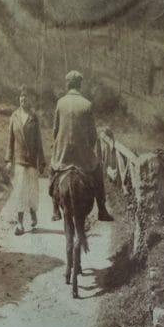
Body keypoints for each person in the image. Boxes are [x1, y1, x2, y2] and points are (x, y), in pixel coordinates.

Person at [48, 70, 111, 222]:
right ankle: (102, 209)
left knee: (53, 170)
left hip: (62, 154)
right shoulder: (87, 104)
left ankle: (56, 209)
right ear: (79, 85)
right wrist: (87, 146)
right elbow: (92, 135)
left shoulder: (60, 103)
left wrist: (58, 144)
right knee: (97, 171)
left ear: (68, 84)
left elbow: (55, 131)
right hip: (82, 156)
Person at [6, 89, 45, 235]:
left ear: (30, 100)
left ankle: (33, 212)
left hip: (32, 161)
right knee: (20, 191)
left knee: (33, 191)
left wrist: (41, 161)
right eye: (21, 96)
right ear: (19, 99)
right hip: (20, 160)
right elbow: (10, 140)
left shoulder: (34, 118)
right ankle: (20, 223)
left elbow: (39, 141)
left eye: (26, 97)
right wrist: (8, 159)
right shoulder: (14, 116)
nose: (23, 99)